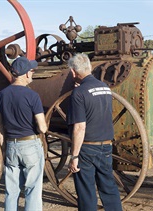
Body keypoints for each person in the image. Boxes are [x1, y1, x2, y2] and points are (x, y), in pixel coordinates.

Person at [66, 53, 123, 211]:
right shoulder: (105, 88)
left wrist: (74, 156)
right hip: (106, 146)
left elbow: (79, 127)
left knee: (86, 192)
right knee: (109, 189)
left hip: (87, 148)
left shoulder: (78, 93)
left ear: (73, 72)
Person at [0, 56, 48, 211]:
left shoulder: (1, 95)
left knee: (11, 190)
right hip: (30, 144)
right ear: (25, 74)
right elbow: (43, 128)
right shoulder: (32, 95)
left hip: (12, 144)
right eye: (31, 71)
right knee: (33, 189)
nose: (32, 74)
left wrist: (4, 146)